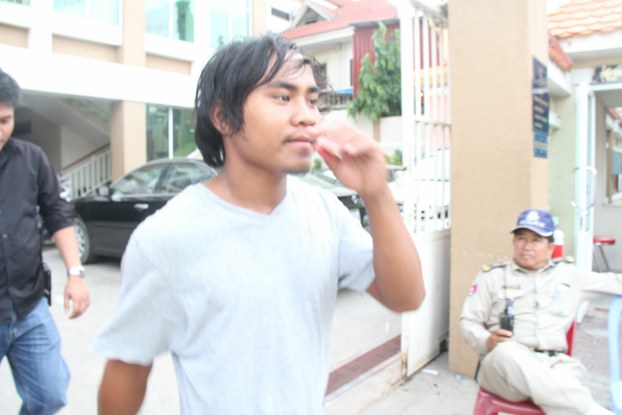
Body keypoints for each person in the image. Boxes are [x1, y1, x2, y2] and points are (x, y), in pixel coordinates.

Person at [93, 32, 425, 415]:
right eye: (283, 97)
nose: (307, 115)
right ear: (222, 116)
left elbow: (406, 297)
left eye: (312, 100)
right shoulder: (166, 238)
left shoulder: (324, 213)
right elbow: (127, 368)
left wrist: (376, 191)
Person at [460, 208, 622, 415]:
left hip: (555, 364)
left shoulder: (570, 275)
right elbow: (468, 321)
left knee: (566, 378)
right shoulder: (492, 277)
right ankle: (590, 411)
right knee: (507, 351)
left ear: (550, 247)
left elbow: (616, 282)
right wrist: (486, 340)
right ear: (513, 242)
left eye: (536, 240)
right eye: (521, 238)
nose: (527, 246)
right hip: (505, 370)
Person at [0, 68, 90, 414]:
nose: (0, 130)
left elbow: (57, 214)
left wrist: (76, 274)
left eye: (5, 120)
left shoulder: (31, 159)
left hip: (28, 305)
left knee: (50, 395)